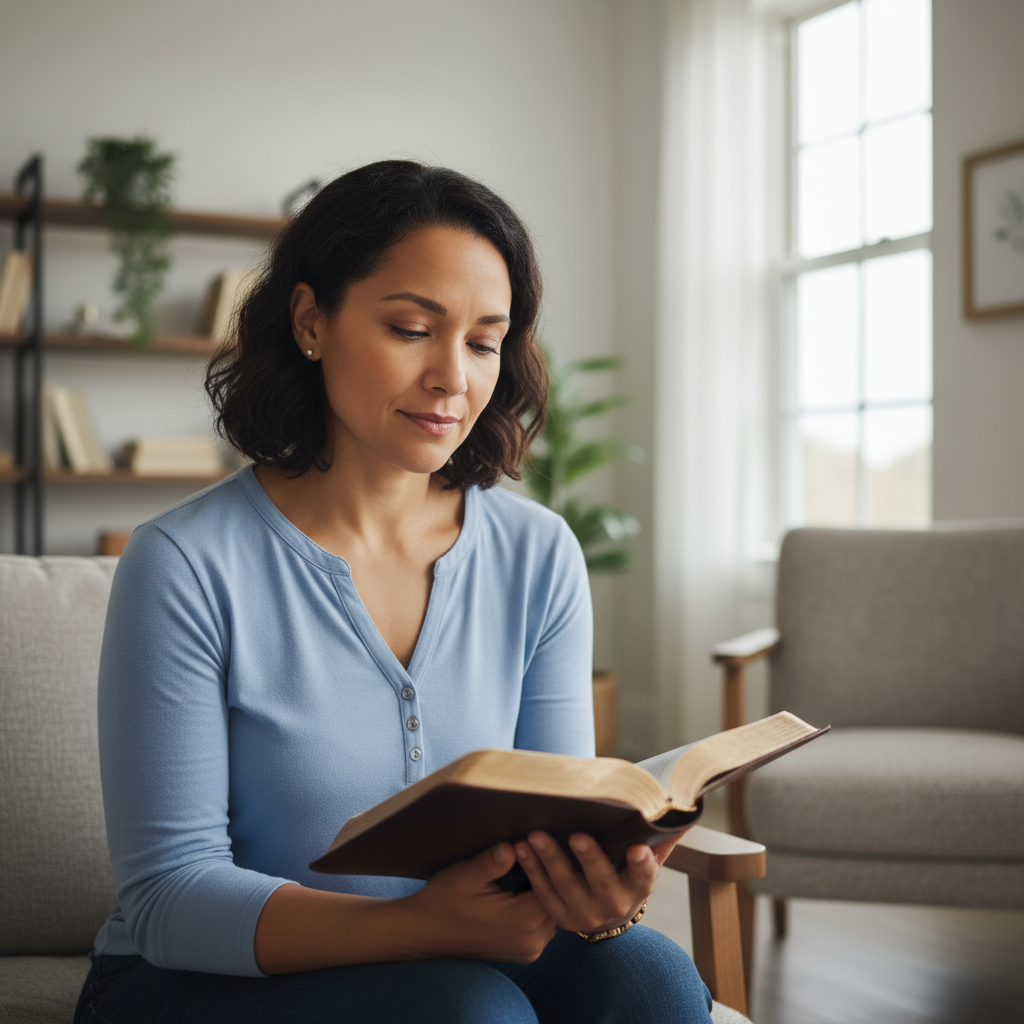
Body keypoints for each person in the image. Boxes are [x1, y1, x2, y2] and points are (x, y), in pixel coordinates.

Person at [74, 160, 713, 1024]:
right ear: (311, 322)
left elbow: (560, 826)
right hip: (205, 978)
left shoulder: (538, 552)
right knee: (464, 1010)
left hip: (461, 953)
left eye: (485, 341)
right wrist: (415, 925)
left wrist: (596, 896)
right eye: (414, 327)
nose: (454, 376)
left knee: (652, 982)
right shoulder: (184, 563)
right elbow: (167, 899)